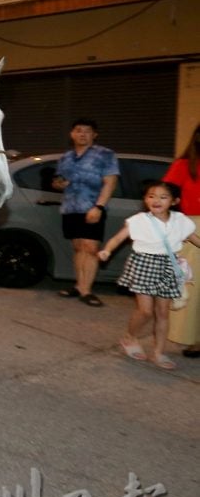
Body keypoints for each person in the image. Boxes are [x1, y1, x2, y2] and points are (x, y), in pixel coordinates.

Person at [98, 181, 200, 370]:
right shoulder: (139, 220)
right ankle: (130, 337)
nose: (156, 200)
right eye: (151, 196)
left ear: (174, 201)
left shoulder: (180, 221)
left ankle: (159, 353)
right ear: (145, 200)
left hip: (168, 265)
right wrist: (107, 250)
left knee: (162, 313)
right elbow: (118, 238)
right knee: (145, 311)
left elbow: (194, 239)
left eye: (163, 197)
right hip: (144, 264)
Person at [51, 119, 118, 307]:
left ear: (94, 135)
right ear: (72, 134)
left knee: (90, 247)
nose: (82, 134)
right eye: (78, 130)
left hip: (92, 207)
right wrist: (58, 184)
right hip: (70, 208)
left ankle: (87, 290)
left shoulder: (105, 155)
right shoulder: (66, 157)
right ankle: (79, 286)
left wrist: (99, 207)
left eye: (87, 131)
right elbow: (58, 181)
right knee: (79, 247)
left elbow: (110, 182)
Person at [164, 122, 200, 357]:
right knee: (193, 287)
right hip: (192, 228)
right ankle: (195, 339)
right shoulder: (183, 165)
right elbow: (165, 196)